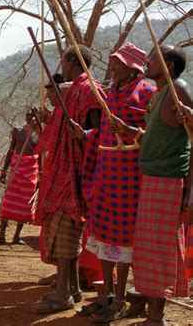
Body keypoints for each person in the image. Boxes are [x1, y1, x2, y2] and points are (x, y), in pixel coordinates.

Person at [111, 45, 191, 325]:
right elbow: (156, 136)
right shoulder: (159, 94)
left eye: (154, 59)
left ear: (168, 66)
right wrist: (128, 130)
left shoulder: (178, 88)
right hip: (154, 179)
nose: (147, 62)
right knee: (150, 248)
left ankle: (157, 318)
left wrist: (189, 194)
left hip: (167, 181)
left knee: (160, 249)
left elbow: (191, 135)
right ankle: (152, 314)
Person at [79, 43, 156, 323]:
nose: (114, 67)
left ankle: (121, 300)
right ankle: (105, 296)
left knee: (123, 240)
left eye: (120, 64)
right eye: (114, 62)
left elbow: (155, 132)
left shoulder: (148, 92)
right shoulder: (111, 91)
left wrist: (128, 130)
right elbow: (103, 130)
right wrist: (87, 134)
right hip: (106, 174)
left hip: (129, 178)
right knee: (102, 235)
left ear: (133, 68)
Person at [33, 45, 103, 314]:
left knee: (66, 230)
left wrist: (83, 134)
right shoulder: (75, 89)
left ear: (73, 62)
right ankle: (72, 288)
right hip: (65, 168)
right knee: (63, 227)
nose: (61, 66)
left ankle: (62, 294)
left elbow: (98, 131)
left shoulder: (89, 91)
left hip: (76, 169)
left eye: (64, 61)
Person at [0, 109, 40, 245]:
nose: (30, 117)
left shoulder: (39, 134)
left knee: (25, 206)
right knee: (8, 202)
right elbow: (11, 150)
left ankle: (17, 236)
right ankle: (1, 235)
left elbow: (41, 154)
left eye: (33, 115)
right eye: (28, 115)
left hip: (31, 172)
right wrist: (4, 170)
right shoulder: (17, 131)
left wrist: (40, 175)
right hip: (17, 169)